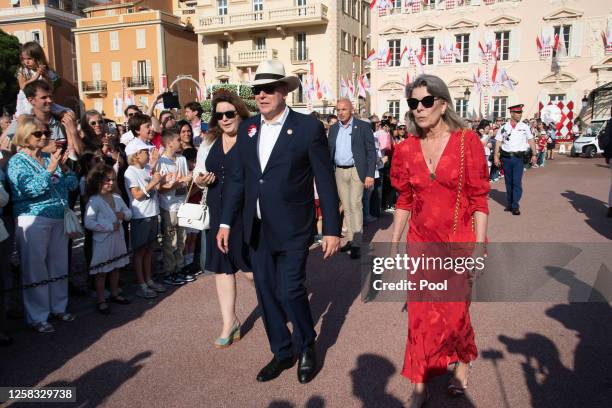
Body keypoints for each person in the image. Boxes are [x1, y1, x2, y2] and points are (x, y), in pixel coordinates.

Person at [217, 59, 341, 384]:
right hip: (256, 228)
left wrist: (331, 229)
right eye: (257, 90)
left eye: (269, 89)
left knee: (289, 290)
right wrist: (226, 223)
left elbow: (325, 180)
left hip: (293, 227)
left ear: (284, 91)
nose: (262, 95)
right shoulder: (247, 129)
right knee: (266, 294)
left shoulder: (307, 127)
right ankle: (282, 351)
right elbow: (239, 180)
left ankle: (306, 344)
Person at [390, 75, 489, 407]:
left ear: (443, 104)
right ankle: (418, 382)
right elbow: (404, 199)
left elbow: (479, 200)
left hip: (459, 241)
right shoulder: (405, 149)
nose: (419, 109)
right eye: (413, 103)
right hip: (420, 243)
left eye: (426, 102)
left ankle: (463, 359)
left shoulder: (466, 142)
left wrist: (479, 246)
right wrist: (393, 243)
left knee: (455, 313)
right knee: (418, 315)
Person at [7, 115, 79, 333]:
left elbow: (72, 183)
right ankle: (38, 316)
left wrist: (63, 168)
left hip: (58, 218)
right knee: (35, 268)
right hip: (33, 219)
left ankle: (58, 307)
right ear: (25, 137)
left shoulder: (50, 159)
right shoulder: (17, 162)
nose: (44, 137)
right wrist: (50, 172)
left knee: (58, 265)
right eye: (38, 133)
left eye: (46, 133)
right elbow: (28, 190)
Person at [195, 90, 254, 348]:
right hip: (217, 209)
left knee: (251, 270)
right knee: (222, 268)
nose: (225, 119)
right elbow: (199, 172)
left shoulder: (252, 138)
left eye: (230, 113)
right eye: (220, 115)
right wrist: (201, 179)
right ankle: (229, 323)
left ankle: (277, 305)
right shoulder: (210, 141)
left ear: (239, 113)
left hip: (244, 212)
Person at [327, 98, 376, 259]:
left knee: (355, 204)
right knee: (346, 206)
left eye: (344, 109)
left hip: (357, 170)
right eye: (338, 110)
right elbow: (329, 151)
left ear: (351, 110)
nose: (340, 113)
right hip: (339, 171)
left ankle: (356, 243)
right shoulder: (333, 129)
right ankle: (349, 239)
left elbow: (371, 152)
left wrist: (370, 174)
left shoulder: (363, 126)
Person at [84, 164, 132, 314]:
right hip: (103, 241)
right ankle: (100, 299)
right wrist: (109, 225)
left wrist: (124, 215)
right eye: (107, 180)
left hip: (118, 238)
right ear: (98, 181)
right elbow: (88, 222)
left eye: (112, 180)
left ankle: (114, 293)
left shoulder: (117, 197)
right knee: (101, 271)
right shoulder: (94, 201)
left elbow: (128, 211)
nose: (111, 183)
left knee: (116, 267)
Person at [124, 139, 167, 298]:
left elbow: (154, 187)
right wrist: (153, 182)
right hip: (140, 216)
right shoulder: (130, 172)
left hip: (152, 213)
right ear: (136, 155)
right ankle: (141, 283)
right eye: (145, 152)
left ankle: (148, 280)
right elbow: (136, 195)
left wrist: (158, 180)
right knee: (140, 251)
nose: (148, 154)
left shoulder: (147, 168)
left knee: (149, 249)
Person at [156, 129, 195, 286]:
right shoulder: (161, 162)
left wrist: (187, 180)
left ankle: (179, 268)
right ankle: (169, 271)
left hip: (181, 204)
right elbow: (160, 188)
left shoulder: (181, 159)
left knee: (181, 240)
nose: (181, 141)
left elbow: (186, 181)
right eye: (178, 139)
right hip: (168, 206)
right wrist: (178, 182)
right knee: (170, 241)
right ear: (169, 143)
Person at [493, 104, 537, 215]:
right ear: (511, 113)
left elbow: (531, 140)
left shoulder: (524, 127)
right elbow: (498, 141)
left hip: (518, 158)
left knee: (516, 182)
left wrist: (534, 154)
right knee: (508, 182)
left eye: (520, 112)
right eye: (517, 112)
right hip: (506, 158)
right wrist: (496, 156)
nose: (519, 114)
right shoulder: (504, 127)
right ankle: (509, 203)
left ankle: (515, 205)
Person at [15, 41, 70, 118]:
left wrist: (45, 76)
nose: (26, 62)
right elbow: (23, 87)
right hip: (27, 103)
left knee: (69, 113)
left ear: (38, 58)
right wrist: (36, 76)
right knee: (29, 116)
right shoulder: (23, 71)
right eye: (24, 59)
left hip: (44, 102)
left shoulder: (48, 71)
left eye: (29, 59)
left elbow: (51, 89)